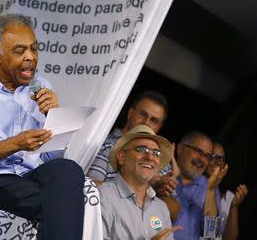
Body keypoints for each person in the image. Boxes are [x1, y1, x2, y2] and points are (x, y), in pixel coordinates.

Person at [0, 13, 85, 240]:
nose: (31, 57)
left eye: (34, 48)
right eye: (20, 51)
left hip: (26, 175)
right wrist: (13, 145)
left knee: (69, 170)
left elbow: (51, 158)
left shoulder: (41, 86)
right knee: (59, 203)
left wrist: (55, 117)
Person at [87, 91, 180, 221]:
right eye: (143, 114)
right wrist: (146, 185)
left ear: (159, 126)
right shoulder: (104, 144)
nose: (146, 122)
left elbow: (173, 213)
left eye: (154, 120)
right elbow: (90, 189)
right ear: (130, 113)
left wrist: (160, 191)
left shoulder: (158, 159)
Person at [98, 124, 181, 240]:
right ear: (121, 157)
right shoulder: (101, 198)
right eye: (142, 149)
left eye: (156, 153)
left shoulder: (161, 207)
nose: (150, 157)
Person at [173, 131, 227, 240]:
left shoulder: (209, 187)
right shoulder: (159, 176)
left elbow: (212, 235)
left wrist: (210, 191)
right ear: (180, 149)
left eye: (207, 156)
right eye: (198, 151)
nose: (202, 159)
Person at [205, 142, 248, 240]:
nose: (217, 162)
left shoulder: (228, 196)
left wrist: (234, 206)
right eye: (213, 156)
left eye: (221, 158)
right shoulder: (190, 188)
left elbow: (225, 238)